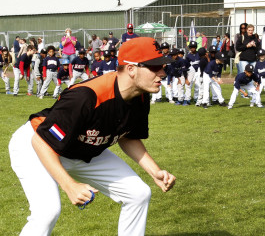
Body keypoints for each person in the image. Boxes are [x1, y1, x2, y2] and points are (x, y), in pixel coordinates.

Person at [9, 37, 176, 236]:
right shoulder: (86, 96)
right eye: (155, 67)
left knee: (138, 193)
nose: (162, 73)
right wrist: (69, 185)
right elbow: (41, 142)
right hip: (36, 146)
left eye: (163, 66)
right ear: (131, 69)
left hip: (81, 147)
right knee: (47, 212)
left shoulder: (140, 96)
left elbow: (128, 136)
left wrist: (154, 171)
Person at [184, 41, 200, 105]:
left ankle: (196, 98)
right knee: (189, 85)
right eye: (191, 47)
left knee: (197, 85)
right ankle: (188, 98)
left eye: (194, 47)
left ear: (196, 47)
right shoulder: (188, 56)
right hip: (191, 72)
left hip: (198, 72)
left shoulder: (199, 54)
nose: (192, 49)